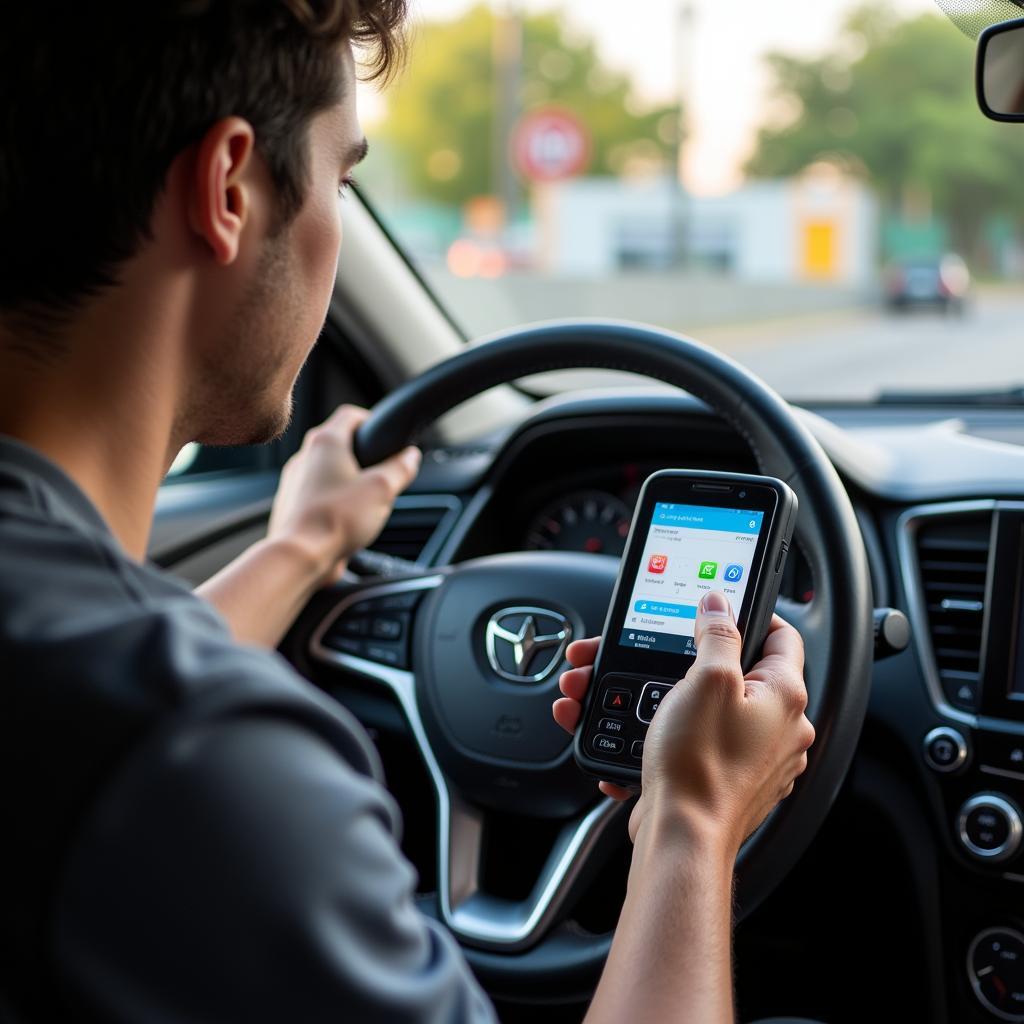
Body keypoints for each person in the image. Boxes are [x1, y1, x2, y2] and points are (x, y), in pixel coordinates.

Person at [0, 2, 814, 1022]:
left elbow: (91, 685)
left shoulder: (86, 686)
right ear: (228, 188)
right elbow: (138, 718)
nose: (338, 214)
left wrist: (304, 543)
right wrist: (693, 819)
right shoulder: (204, 763)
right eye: (343, 179)